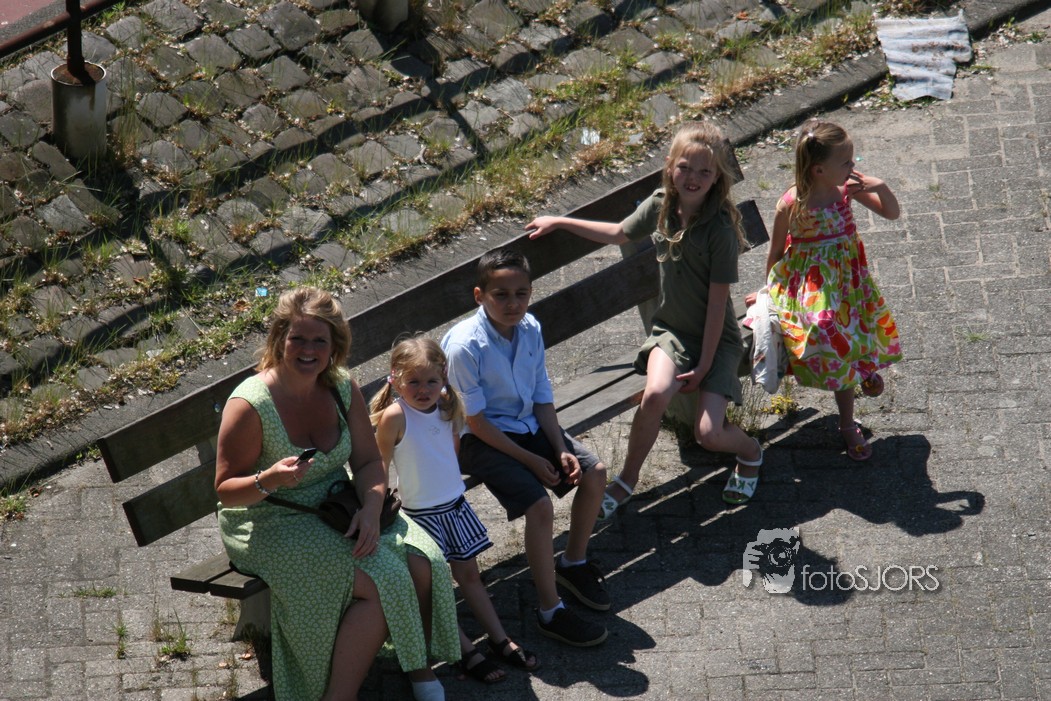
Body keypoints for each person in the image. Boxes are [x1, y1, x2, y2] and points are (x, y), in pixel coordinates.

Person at [214, 287, 460, 701]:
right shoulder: (251, 404)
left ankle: (418, 666)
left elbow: (367, 462)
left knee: (424, 561)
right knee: (379, 582)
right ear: (280, 339)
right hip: (269, 516)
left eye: (319, 341)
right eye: (298, 339)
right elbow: (225, 491)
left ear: (335, 346)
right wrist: (269, 478)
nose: (308, 350)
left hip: (337, 505)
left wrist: (371, 508)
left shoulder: (341, 387)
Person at [526, 121, 764, 509]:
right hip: (671, 332)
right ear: (670, 165)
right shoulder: (660, 206)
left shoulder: (719, 229)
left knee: (708, 434)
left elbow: (717, 306)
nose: (693, 178)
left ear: (717, 177)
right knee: (654, 395)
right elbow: (618, 233)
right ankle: (627, 479)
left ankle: (751, 452)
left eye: (704, 171)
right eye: (685, 167)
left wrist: (704, 366)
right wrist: (559, 221)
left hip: (715, 341)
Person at [441, 249, 611, 648]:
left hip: (525, 425)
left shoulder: (530, 327)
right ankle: (550, 611)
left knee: (595, 473)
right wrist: (532, 460)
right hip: (478, 439)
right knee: (540, 506)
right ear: (479, 295)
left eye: (521, 293)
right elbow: (475, 421)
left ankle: (572, 562)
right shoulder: (465, 346)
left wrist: (559, 446)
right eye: (501, 295)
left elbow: (541, 396)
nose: (513, 303)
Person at [370, 335, 541, 685]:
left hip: (454, 508)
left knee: (470, 577)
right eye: (413, 382)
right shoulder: (395, 417)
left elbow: (451, 450)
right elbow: (379, 466)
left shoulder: (448, 406)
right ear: (395, 379)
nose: (423, 390)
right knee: (435, 590)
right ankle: (465, 651)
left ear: (444, 377)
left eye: (431, 381)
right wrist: (378, 512)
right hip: (420, 518)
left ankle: (499, 638)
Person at [762, 119, 902, 461]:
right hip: (810, 286)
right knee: (827, 326)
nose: (853, 167)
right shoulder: (791, 204)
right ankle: (847, 421)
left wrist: (881, 186)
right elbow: (776, 252)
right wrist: (768, 292)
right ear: (819, 169)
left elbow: (891, 213)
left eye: (852, 160)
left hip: (848, 280)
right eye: (846, 162)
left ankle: (860, 374)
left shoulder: (847, 189)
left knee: (858, 326)